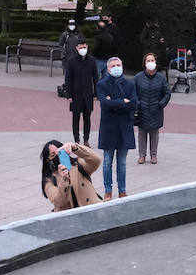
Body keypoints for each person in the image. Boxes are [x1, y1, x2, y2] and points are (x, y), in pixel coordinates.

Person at [95, 56, 136, 199]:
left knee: (122, 162)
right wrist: (122, 102)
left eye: (118, 65)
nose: (116, 67)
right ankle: (108, 190)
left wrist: (113, 102)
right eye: (113, 66)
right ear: (108, 69)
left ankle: (122, 190)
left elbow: (134, 104)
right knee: (107, 162)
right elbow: (104, 103)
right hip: (109, 127)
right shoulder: (102, 84)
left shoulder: (130, 84)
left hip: (124, 126)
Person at [40, 140, 103, 211]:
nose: (57, 156)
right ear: (48, 160)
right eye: (53, 155)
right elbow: (59, 202)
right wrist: (64, 180)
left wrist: (76, 148)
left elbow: (96, 160)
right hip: (69, 219)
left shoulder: (78, 164)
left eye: (60, 152)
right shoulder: (49, 179)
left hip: (92, 211)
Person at [134, 52, 171, 165]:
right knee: (142, 133)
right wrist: (138, 104)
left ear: (156, 62)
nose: (150, 63)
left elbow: (167, 93)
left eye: (152, 60)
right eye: (148, 61)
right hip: (142, 110)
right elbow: (133, 93)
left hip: (156, 110)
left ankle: (153, 155)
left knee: (154, 133)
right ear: (144, 63)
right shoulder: (138, 77)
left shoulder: (161, 78)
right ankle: (142, 155)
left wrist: (161, 104)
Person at [62, 39, 97, 145]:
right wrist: (69, 95)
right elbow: (68, 79)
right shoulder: (72, 61)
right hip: (75, 94)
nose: (83, 49)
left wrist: (96, 93)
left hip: (88, 93)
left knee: (87, 118)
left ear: (87, 47)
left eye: (84, 47)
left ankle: (86, 140)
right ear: (76, 48)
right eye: (80, 47)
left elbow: (95, 78)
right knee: (75, 118)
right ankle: (76, 139)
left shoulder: (91, 60)